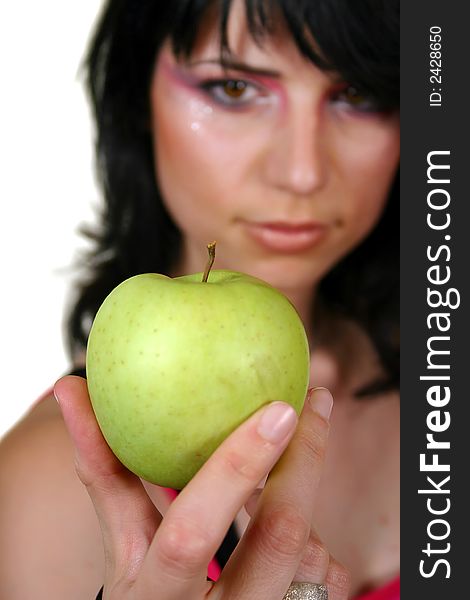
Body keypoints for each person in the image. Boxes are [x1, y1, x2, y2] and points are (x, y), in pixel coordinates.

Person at [0, 0, 400, 598]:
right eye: (233, 87)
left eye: (359, 94)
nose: (302, 171)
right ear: (136, 100)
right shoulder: (45, 492)